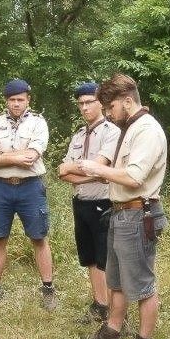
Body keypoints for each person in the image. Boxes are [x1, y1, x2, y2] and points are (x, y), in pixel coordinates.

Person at [79, 73, 168, 339]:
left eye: (111, 107)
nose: (107, 114)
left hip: (138, 213)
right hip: (120, 212)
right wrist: (84, 172)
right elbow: (119, 173)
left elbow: (133, 177)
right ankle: (113, 331)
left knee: (142, 284)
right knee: (115, 280)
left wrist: (95, 168)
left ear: (128, 101)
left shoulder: (147, 130)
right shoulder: (129, 128)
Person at [0, 78, 57, 312]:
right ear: (6, 101)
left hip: (31, 187)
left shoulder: (38, 123)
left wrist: (0, 156)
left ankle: (49, 289)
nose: (16, 104)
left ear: (28, 100)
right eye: (12, 100)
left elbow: (31, 157)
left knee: (39, 237)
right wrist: (14, 157)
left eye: (20, 100)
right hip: (0, 188)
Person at [58, 82, 120, 323]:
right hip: (81, 201)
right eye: (80, 103)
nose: (84, 108)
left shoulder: (111, 132)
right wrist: (88, 173)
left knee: (106, 259)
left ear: (101, 104)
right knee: (90, 257)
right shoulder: (78, 136)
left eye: (88, 102)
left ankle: (115, 313)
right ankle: (99, 304)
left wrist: (81, 171)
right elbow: (61, 172)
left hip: (104, 202)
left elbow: (101, 167)